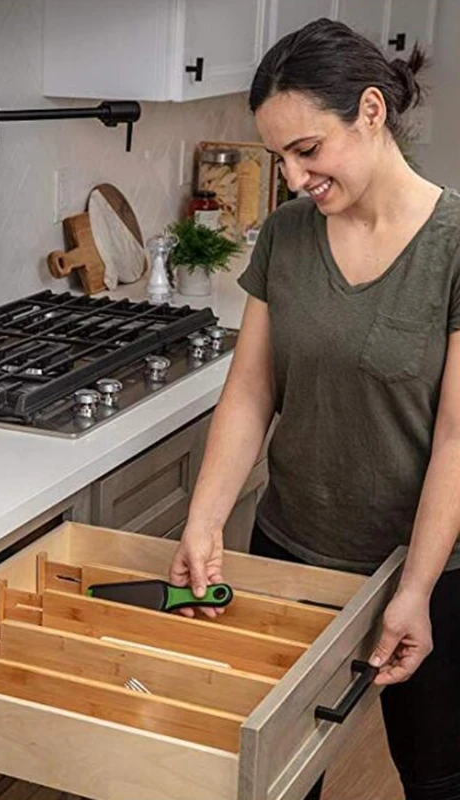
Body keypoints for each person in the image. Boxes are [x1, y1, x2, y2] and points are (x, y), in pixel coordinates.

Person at [169, 18, 460, 800]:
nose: (294, 179)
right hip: (290, 550)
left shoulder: (457, 247)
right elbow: (251, 391)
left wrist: (417, 589)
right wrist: (204, 520)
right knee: (282, 778)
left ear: (370, 111)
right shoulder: (288, 236)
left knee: (440, 778)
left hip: (426, 568)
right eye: (279, 159)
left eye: (307, 151)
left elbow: (458, 441)